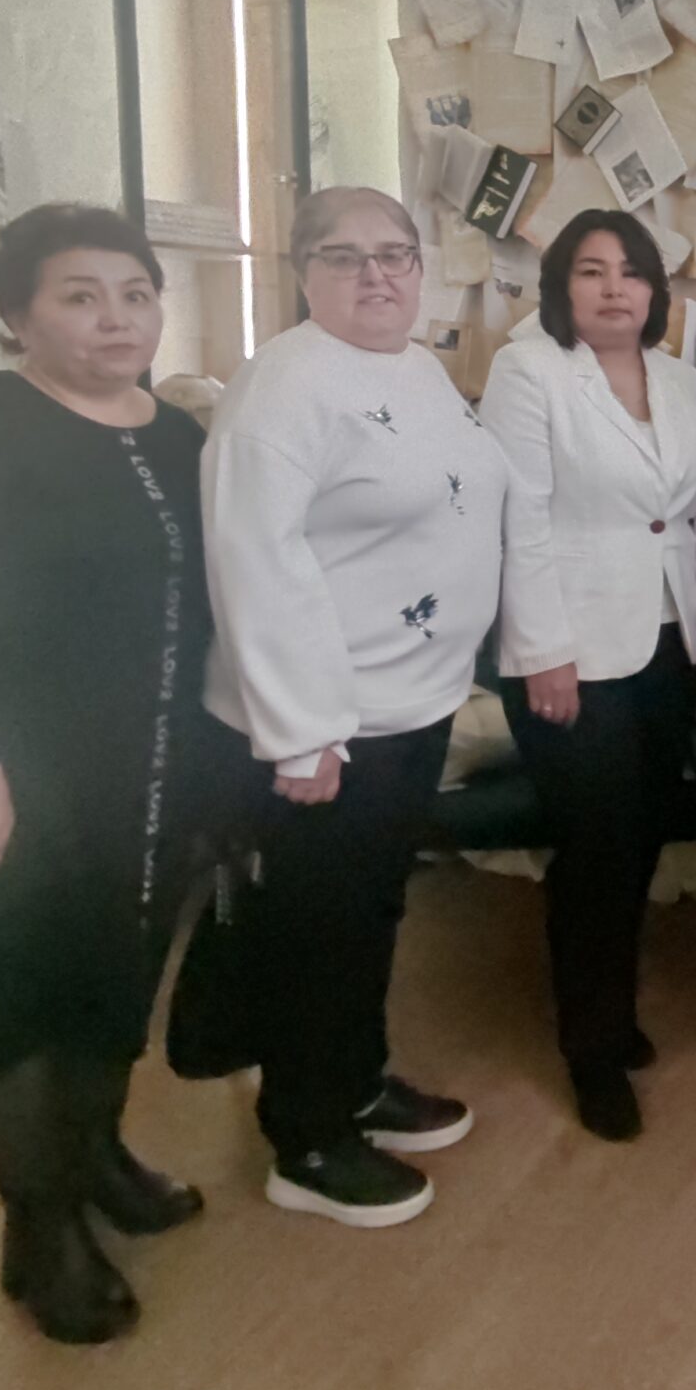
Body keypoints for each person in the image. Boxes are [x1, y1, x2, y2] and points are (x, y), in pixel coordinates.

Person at [0, 203, 227, 1343]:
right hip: (6, 778)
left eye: (135, 293)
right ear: (16, 315)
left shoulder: (177, 438)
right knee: (12, 1002)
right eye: (80, 296)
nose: (116, 318)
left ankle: (95, 1154)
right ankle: (42, 1227)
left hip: (147, 771)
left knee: (111, 979)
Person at [205, 186, 510, 1227]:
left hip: (410, 704)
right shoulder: (282, 388)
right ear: (302, 273)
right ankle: (307, 1139)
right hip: (326, 726)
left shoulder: (413, 365)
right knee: (316, 930)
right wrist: (302, 735)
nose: (376, 275)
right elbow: (256, 564)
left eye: (395, 254)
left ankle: (355, 1079)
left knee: (370, 913)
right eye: (344, 256)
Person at [480, 210, 696, 1143]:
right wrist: (542, 652)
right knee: (594, 847)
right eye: (591, 271)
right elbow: (519, 518)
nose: (614, 288)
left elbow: (693, 519)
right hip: (571, 651)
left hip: (665, 641)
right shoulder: (528, 371)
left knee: (636, 841)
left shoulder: (679, 379)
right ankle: (590, 1050)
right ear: (561, 285)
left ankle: (615, 1014)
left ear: (656, 292)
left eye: (631, 271)